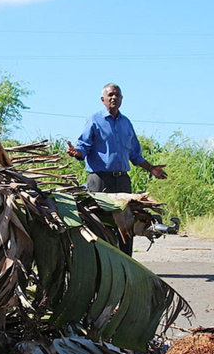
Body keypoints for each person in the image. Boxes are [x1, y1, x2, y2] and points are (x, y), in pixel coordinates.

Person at [66, 84, 167, 255]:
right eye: (110, 95)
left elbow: (135, 155)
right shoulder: (95, 120)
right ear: (103, 99)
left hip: (121, 180)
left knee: (126, 223)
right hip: (99, 180)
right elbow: (84, 146)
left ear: (121, 99)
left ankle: (125, 261)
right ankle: (98, 261)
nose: (114, 98)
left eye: (117, 95)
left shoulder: (126, 123)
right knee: (97, 222)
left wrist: (151, 169)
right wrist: (77, 152)